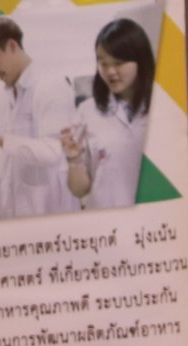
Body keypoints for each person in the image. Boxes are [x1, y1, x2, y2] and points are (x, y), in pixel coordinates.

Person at [0, 18, 80, 220]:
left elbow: (52, 151)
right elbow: (9, 157)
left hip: (50, 213)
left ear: (12, 46)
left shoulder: (50, 85)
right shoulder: (11, 93)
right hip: (19, 215)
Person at [64, 17, 153, 211]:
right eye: (103, 64)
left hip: (154, 220)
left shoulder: (161, 107)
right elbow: (80, 190)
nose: (110, 72)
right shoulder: (87, 111)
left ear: (141, 60)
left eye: (118, 63)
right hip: (105, 220)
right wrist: (73, 159)